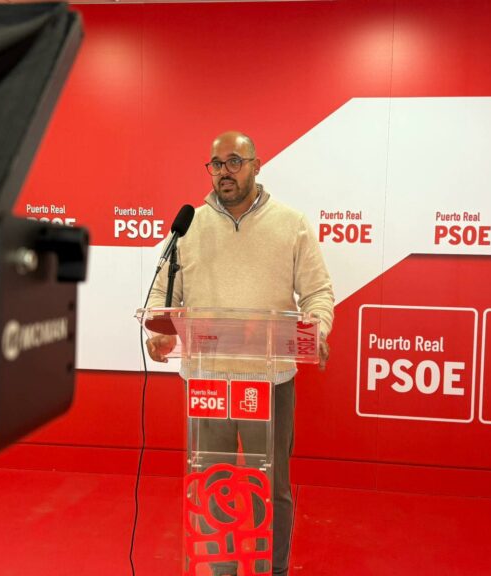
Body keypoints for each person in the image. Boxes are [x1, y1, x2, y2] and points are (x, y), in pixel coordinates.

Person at [146, 131, 334, 576]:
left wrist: (316, 328)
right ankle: (222, 570)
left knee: (271, 486)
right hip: (206, 380)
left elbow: (318, 293)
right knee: (212, 483)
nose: (224, 172)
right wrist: (160, 330)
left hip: (268, 382)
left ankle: (274, 570)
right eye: (216, 164)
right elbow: (161, 295)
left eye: (234, 161)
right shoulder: (189, 226)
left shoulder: (291, 223)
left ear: (256, 165)